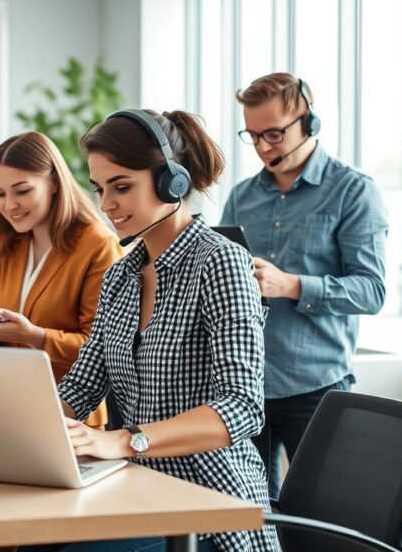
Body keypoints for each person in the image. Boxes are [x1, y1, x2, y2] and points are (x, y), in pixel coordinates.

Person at [47, 109, 277, 552]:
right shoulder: (121, 276)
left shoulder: (220, 263)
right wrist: (12, 430)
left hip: (209, 506)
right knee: (32, 540)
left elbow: (242, 406)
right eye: (99, 189)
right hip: (136, 490)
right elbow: (79, 389)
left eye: (121, 186)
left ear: (172, 182)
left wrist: (126, 440)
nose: (105, 205)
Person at [223, 72, 388, 498]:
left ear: (309, 125)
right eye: (253, 135)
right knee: (248, 514)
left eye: (274, 134)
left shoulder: (353, 192)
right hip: (243, 384)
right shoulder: (242, 196)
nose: (262, 147)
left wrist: (293, 285)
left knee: (320, 514)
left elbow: (371, 291)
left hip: (316, 386)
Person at [0, 132, 119, 429]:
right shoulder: (7, 244)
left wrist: (34, 336)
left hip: (72, 419)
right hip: (5, 411)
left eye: (22, 191)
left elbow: (104, 350)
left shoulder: (97, 245)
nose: (9, 205)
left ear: (54, 183)